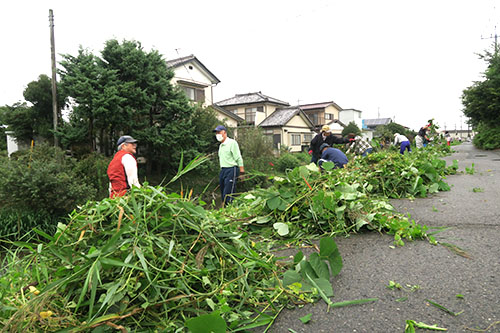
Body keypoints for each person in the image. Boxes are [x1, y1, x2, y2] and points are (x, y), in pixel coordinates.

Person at [214, 125, 244, 206]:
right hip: (223, 170)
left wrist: (242, 171)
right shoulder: (221, 145)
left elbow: (238, 157)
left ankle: (230, 209)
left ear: (224, 132)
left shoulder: (232, 143)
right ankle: (225, 209)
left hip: (232, 169)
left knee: (228, 192)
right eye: (216, 133)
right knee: (223, 191)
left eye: (219, 132)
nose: (217, 134)